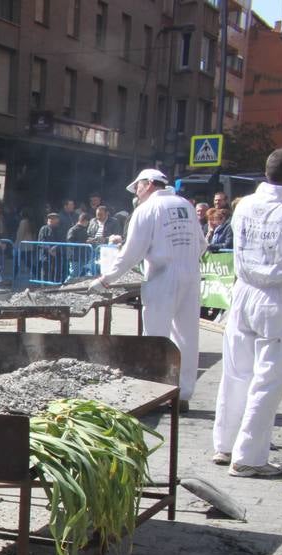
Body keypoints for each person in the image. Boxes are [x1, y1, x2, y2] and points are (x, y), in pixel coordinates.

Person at [211, 148, 282, 477]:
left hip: (243, 293)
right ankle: (249, 457)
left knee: (236, 371)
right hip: (277, 297)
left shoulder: (246, 204)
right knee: (268, 378)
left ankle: (224, 444)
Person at [92, 168, 205, 405]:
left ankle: (155, 393)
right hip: (192, 275)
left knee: (155, 335)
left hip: (162, 276)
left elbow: (132, 251)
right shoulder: (185, 204)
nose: (137, 192)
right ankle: (182, 394)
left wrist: (106, 279)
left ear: (150, 184)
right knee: (187, 336)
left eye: (138, 187)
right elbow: (202, 243)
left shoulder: (147, 209)